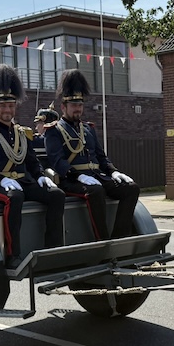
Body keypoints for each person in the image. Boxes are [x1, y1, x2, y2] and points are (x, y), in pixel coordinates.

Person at [0, 65, 65, 268]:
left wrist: (40, 176)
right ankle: (13, 255)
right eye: (3, 106)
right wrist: (0, 179)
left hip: (24, 181)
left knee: (56, 195)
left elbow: (31, 161)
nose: (7, 110)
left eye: (11, 106)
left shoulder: (22, 132)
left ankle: (52, 248)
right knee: (14, 198)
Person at [44, 69, 139, 240]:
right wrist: (79, 176)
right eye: (74, 105)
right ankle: (102, 241)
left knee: (131, 189)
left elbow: (101, 157)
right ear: (63, 107)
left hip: (96, 176)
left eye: (80, 105)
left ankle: (120, 237)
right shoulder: (54, 130)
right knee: (96, 191)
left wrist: (114, 172)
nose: (78, 109)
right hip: (72, 180)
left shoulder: (88, 128)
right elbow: (57, 161)